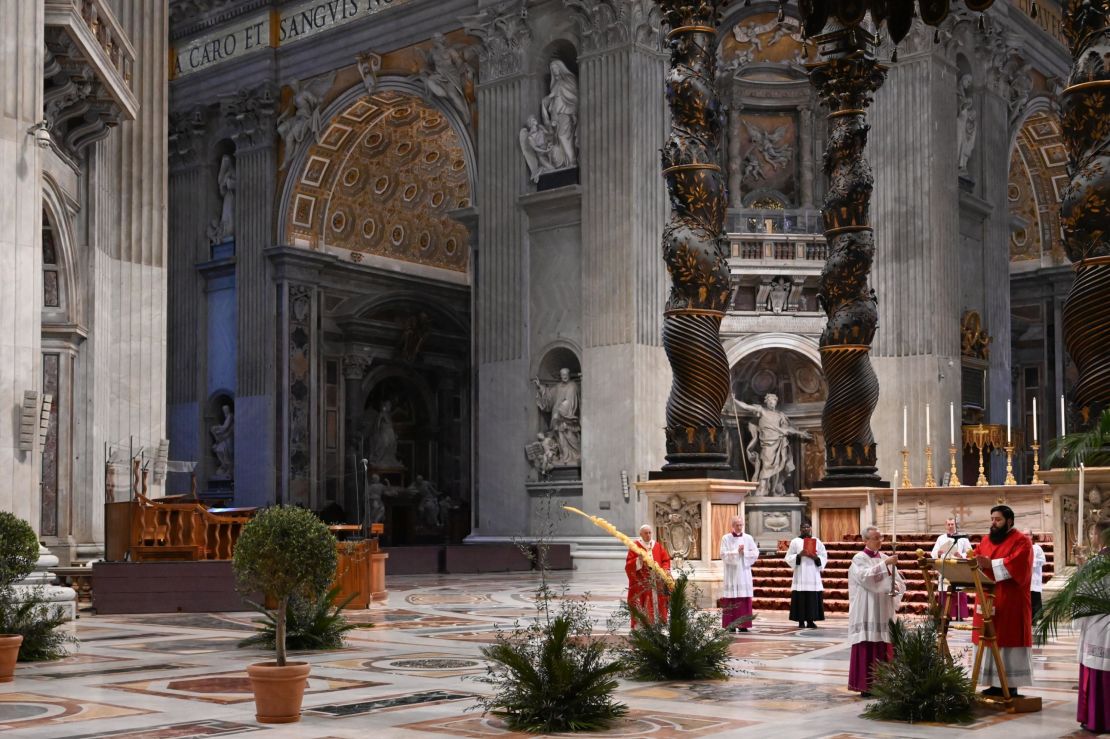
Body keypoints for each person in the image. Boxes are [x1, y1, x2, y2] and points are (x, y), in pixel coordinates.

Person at [972, 505, 1034, 697]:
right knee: (988, 639)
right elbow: (976, 557)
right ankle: (993, 682)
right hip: (988, 598)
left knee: (1007, 638)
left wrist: (991, 564)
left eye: (997, 519)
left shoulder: (1021, 542)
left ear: (1009, 521)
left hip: (1010, 601)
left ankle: (1010, 684)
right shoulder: (985, 540)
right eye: (992, 519)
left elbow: (1019, 566)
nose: (993, 523)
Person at [848, 525, 905, 697]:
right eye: (876, 538)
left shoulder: (886, 557)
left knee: (884, 642)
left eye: (881, 538)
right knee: (868, 641)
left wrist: (896, 586)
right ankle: (866, 685)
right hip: (867, 607)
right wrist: (884, 564)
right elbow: (864, 578)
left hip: (883, 605)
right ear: (866, 540)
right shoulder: (858, 559)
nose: (880, 541)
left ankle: (885, 683)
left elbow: (898, 580)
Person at [730, 393, 813, 496]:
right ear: (766, 402)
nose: (771, 402)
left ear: (776, 402)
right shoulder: (762, 411)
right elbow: (747, 407)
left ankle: (776, 490)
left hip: (779, 442)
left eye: (773, 400)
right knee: (766, 465)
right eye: (769, 400)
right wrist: (734, 400)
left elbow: (787, 429)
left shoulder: (780, 415)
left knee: (778, 467)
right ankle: (762, 488)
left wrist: (800, 433)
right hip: (767, 444)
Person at [1076, 521, 1110, 733]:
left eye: (1093, 533)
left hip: (1099, 623)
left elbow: (1084, 593)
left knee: (1099, 670)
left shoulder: (1096, 563)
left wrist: (1081, 568)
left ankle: (1099, 719)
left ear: (1100, 536)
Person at [625, 524, 671, 627]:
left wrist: (665, 570)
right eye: (646, 533)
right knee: (644, 604)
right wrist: (638, 561)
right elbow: (628, 565)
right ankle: (643, 626)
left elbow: (665, 560)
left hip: (657, 582)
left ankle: (660, 624)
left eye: (650, 533)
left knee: (659, 603)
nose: (648, 535)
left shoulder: (657, 545)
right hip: (642, 583)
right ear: (640, 534)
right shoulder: (635, 547)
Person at [533, 368, 581, 466]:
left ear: (569, 375)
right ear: (560, 375)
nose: (565, 376)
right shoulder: (558, 387)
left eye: (566, 374)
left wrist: (563, 414)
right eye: (563, 374)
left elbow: (571, 402)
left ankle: (576, 455)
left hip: (568, 418)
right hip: (557, 417)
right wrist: (540, 387)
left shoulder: (573, 386)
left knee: (570, 436)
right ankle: (564, 457)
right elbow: (549, 396)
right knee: (560, 438)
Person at [719, 515, 759, 632]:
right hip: (731, 572)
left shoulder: (748, 538)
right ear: (732, 526)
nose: (740, 527)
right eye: (737, 525)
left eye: (741, 525)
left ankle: (743, 625)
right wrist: (736, 552)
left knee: (743, 598)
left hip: (744, 572)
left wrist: (744, 552)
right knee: (731, 598)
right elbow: (723, 554)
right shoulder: (726, 538)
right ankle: (730, 624)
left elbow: (755, 553)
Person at [785, 521, 826, 629]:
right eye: (803, 527)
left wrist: (815, 557)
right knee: (801, 598)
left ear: (811, 528)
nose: (806, 529)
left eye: (807, 527)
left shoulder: (817, 541)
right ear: (800, 529)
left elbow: (824, 556)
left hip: (813, 574)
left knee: (812, 599)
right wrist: (799, 555)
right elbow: (788, 557)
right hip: (801, 574)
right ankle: (801, 621)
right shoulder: (795, 541)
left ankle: (811, 621)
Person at [932, 518, 971, 620]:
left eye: (952, 524)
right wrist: (938, 553)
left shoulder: (963, 538)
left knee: (958, 592)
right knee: (945, 591)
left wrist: (961, 554)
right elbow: (933, 552)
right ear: (945, 526)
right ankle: (945, 614)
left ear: (955, 525)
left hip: (958, 567)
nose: (950, 526)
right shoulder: (940, 538)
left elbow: (970, 552)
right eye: (948, 524)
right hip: (945, 567)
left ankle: (959, 615)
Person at [1028, 530, 1046, 622]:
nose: (1026, 536)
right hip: (1025, 578)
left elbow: (1043, 560)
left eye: (1028, 535)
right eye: (1024, 535)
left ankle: (1035, 618)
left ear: (1031, 536)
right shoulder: (1020, 547)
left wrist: (1031, 563)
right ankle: (1028, 618)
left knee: (1034, 597)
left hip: (1034, 576)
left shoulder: (1037, 548)